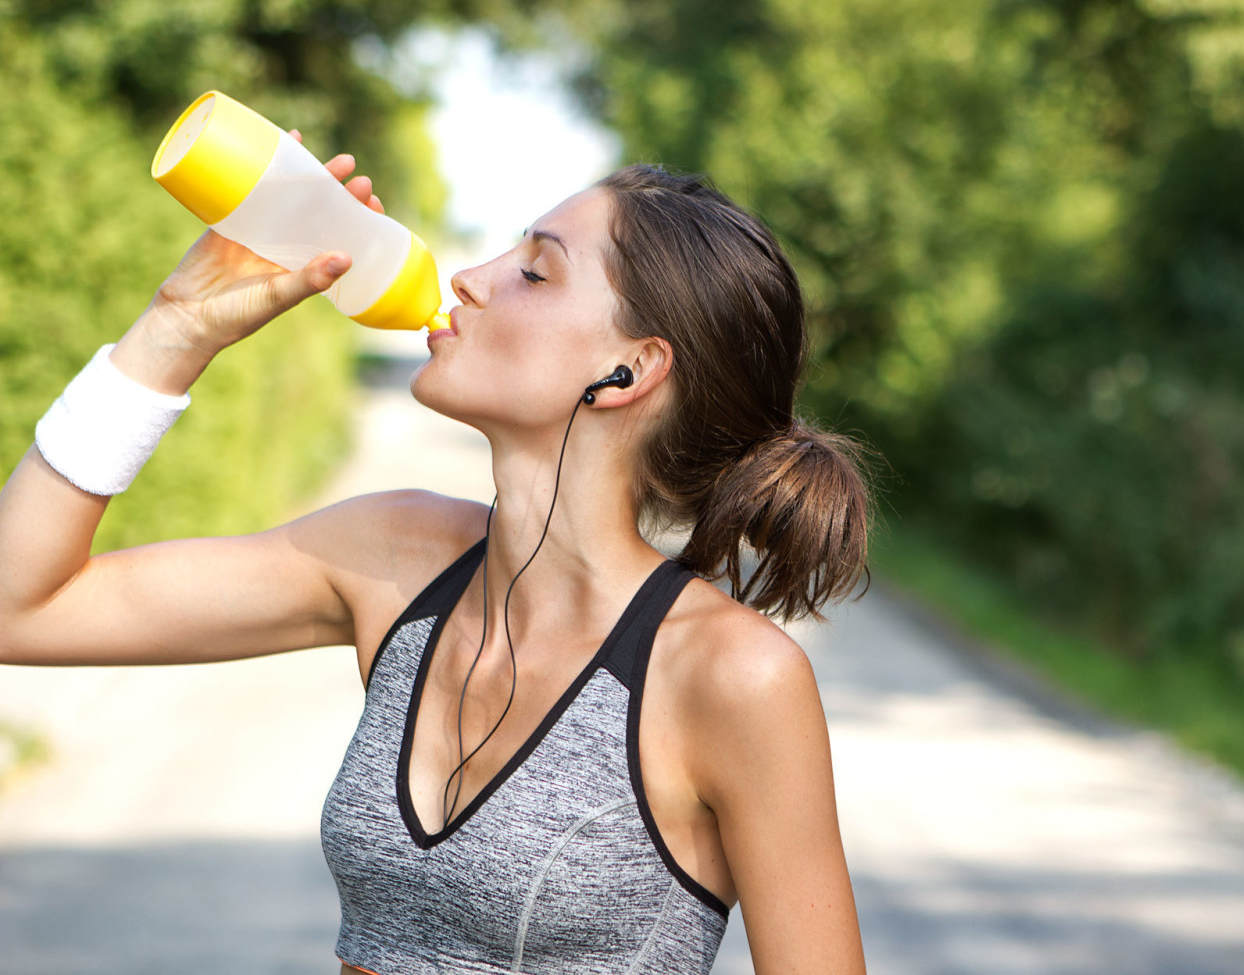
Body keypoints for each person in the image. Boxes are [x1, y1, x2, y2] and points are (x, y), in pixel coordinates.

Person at [0, 144, 875, 974]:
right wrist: (172, 332)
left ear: (630, 368)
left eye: (533, 270)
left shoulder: (731, 676)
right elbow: (20, 607)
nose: (470, 278)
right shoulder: (392, 556)